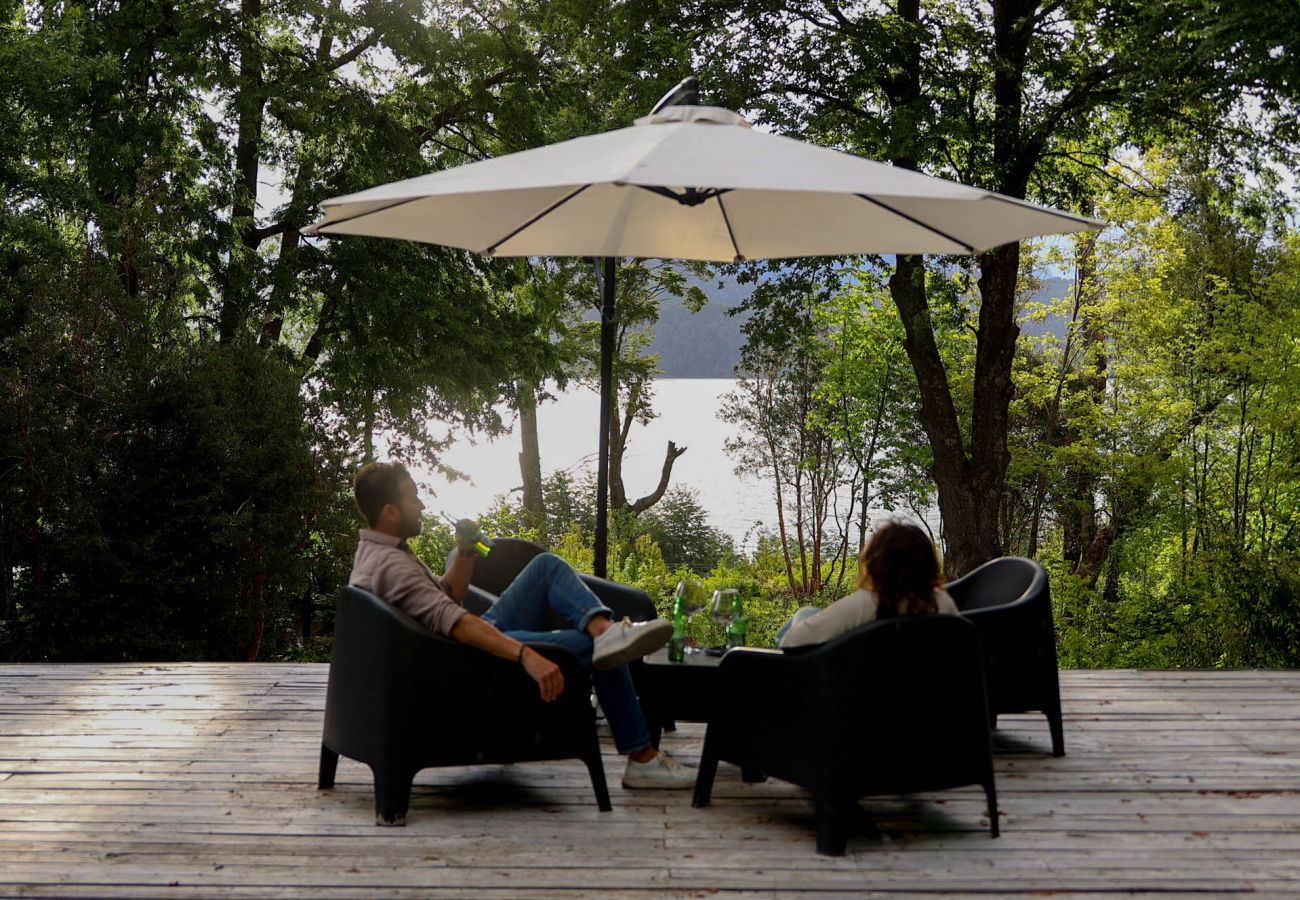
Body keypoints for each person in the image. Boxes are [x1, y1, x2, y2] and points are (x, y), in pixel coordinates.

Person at [348, 461, 695, 789]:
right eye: (412, 498)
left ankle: (603, 629)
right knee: (598, 651)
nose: (422, 505)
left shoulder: (380, 553)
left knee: (546, 567)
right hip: (462, 661)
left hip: (449, 648)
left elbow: (445, 598)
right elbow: (459, 624)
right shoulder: (392, 566)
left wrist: (466, 553)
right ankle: (642, 756)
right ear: (391, 512)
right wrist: (527, 655)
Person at [777, 519, 958, 649]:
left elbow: (791, 641)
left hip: (854, 694)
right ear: (928, 564)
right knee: (809, 613)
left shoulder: (863, 605)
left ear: (876, 563)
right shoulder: (942, 603)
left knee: (803, 614)